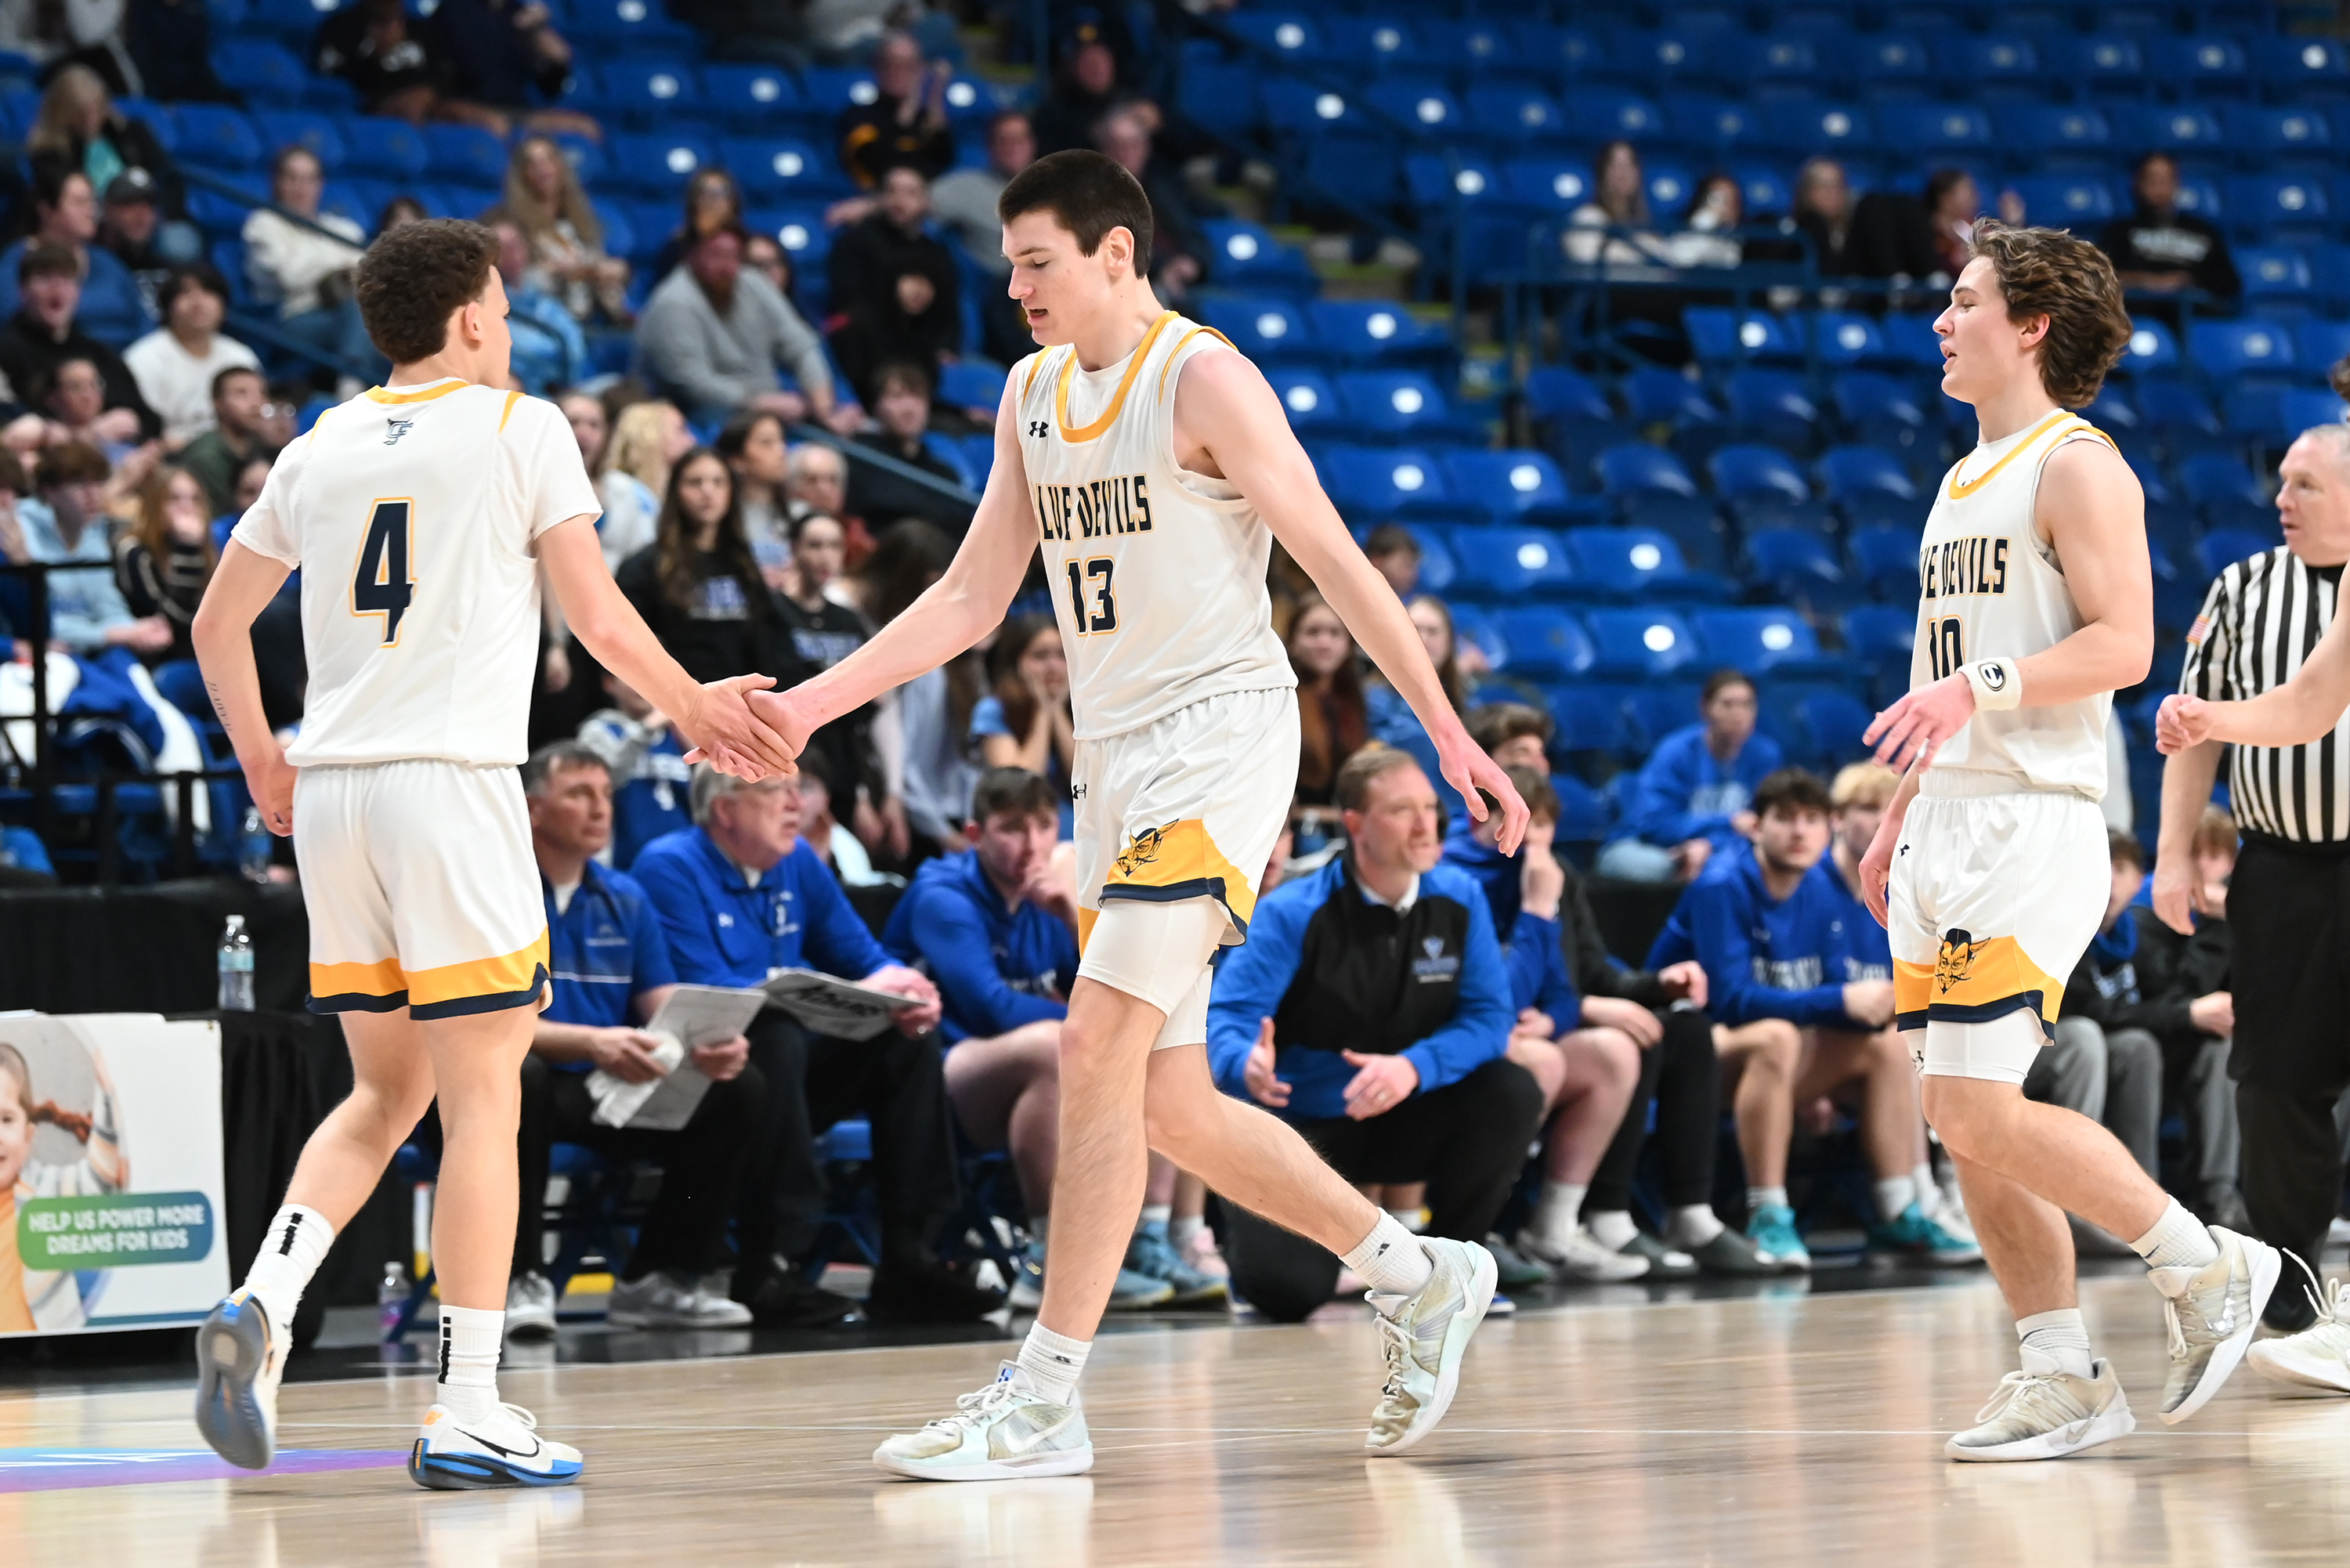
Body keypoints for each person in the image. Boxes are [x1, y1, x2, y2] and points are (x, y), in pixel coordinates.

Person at [754, 148, 1528, 1479]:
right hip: (1114, 763)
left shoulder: (1204, 376)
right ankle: (1420, 1273)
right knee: (1167, 1100)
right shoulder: (1030, 392)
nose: (1015, 287)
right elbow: (968, 597)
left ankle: (1046, 1395)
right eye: (1007, 263)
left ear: (1118, 254)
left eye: (1039, 260)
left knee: (1095, 1042)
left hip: (1221, 735)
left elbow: (1333, 558)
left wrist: (1445, 730)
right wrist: (815, 703)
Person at [186, 215, 793, 1487]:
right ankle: (465, 1402)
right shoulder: (522, 426)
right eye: (507, 312)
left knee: (381, 1095)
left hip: (337, 796)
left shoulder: (320, 439)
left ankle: (265, 1298)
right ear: (470, 318)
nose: (510, 331)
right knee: (483, 1101)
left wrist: (258, 758)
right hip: (452, 786)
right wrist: (692, 708)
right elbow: (600, 610)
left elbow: (215, 620)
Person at [1856, 219, 2273, 1463]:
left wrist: (1969, 691)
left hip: (2033, 818)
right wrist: (1898, 808)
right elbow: (1943, 674)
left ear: (2030, 324)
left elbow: (2126, 646)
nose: (1942, 318)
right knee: (1957, 1113)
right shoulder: (1959, 475)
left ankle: (2202, 1262)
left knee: (1980, 1102)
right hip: (1950, 813)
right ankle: (2058, 1368)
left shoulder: (2076, 463)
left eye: (1965, 299)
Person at [631, 764, 997, 1328]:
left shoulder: (798, 861)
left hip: (790, 1080)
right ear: (725, 809)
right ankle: (772, 1263)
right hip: (710, 1081)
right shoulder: (669, 865)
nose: (795, 804)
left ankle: (909, 1255)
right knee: (770, 1032)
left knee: (904, 1037)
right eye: (775, 791)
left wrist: (905, 987)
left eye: (796, 789)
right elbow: (706, 998)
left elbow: (863, 955)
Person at [1202, 746, 1535, 1320]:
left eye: (1430, 808)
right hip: (1305, 1127)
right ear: (1355, 824)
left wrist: (1414, 1066)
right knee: (1285, 1294)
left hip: (1405, 1108)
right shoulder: (1293, 911)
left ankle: (1451, 1267)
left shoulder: (1459, 897)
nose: (1425, 824)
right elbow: (1226, 1021)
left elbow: (1490, 1018)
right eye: (1402, 810)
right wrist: (1243, 1063)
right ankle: (1267, 1254)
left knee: (1511, 1090)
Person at [2157, 421, 2350, 1339]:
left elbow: (2300, 705)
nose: (2283, 498)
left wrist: (2211, 716)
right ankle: (2293, 1288)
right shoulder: (2239, 590)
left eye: (2306, 484)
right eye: (2281, 481)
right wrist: (2169, 855)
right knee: (2275, 1080)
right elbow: (2197, 734)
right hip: (2282, 865)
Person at [884, 767, 1209, 1311]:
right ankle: (1051, 1257)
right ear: (974, 835)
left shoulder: (1041, 901)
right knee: (1051, 1046)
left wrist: (1065, 916)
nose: (1031, 844)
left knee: (1154, 1040)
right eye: (1011, 828)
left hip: (1024, 1084)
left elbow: (1107, 995)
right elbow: (993, 1007)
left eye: (1041, 826)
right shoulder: (943, 896)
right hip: (932, 1077)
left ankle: (1147, 1241)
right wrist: (1089, 1023)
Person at [1650, 768, 1969, 1271]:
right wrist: (1838, 1002)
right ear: (1755, 826)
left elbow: (1825, 997)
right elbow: (1731, 1000)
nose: (1799, 832)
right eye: (1784, 819)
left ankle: (1897, 1208)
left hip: (1776, 1056)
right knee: (1777, 1036)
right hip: (1686, 1055)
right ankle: (1768, 1214)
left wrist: (1825, 1071)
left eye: (1810, 820)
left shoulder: (1819, 890)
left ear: (1828, 829)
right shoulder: (1721, 886)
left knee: (1886, 1045)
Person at [508, 742, 761, 1335]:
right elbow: (493, 1026)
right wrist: (592, 1043)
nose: (601, 810)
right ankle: (520, 1277)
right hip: (527, 1082)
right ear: (532, 808)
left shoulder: (626, 896)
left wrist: (708, 1042)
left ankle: (661, 1279)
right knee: (522, 1077)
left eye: (605, 795)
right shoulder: (499, 895)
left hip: (606, 1084)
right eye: (579, 794)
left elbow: (659, 1006)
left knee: (737, 1088)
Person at [613, 446, 810, 692]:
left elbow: (768, 641)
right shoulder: (644, 566)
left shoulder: (744, 564)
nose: (708, 492)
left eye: (718, 482)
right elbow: (628, 643)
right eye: (695, 482)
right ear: (676, 492)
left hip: (743, 701)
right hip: (676, 703)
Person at [2041, 830, 2166, 1201]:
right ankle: (2078, 1193)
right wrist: (2182, 1014)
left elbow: (2166, 996)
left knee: (2138, 1046)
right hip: (2046, 1041)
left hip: (2104, 1040)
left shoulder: (2140, 930)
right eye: (2099, 866)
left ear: (2140, 879)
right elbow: (2088, 1007)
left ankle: (2143, 1196)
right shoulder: (2064, 923)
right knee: (2085, 1035)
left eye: (2121, 867)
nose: (2109, 878)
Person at [635, 225, 859, 432]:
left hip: (768, 410)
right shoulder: (673, 301)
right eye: (715, 255)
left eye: (734, 257)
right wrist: (760, 402)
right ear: (693, 255)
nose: (726, 266)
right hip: (701, 414)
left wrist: (824, 407)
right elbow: (693, 383)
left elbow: (800, 344)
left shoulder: (753, 283)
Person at [775, 508, 893, 857]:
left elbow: (859, 719)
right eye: (814, 545)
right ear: (794, 549)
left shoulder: (849, 622)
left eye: (834, 546)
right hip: (791, 767)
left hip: (841, 774)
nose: (825, 556)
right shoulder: (770, 613)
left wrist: (861, 794)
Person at [1600, 670, 1783, 883]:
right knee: (1655, 866)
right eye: (1727, 704)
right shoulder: (1676, 753)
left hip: (1721, 850)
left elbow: (1761, 826)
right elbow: (1654, 825)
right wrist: (1727, 822)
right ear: (1705, 709)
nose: (1738, 714)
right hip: (1654, 848)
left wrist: (1711, 844)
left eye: (1747, 705)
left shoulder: (1765, 755)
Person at [826, 168, 963, 408]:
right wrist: (893, 296)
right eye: (891, 192)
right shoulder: (856, 243)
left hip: (919, 352)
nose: (899, 201)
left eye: (910, 193)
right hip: (871, 352)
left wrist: (946, 346)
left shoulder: (937, 254)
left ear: (926, 202)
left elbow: (948, 313)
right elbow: (849, 303)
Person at [240, 148, 374, 387]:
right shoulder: (263, 225)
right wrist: (338, 260)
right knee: (359, 314)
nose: (301, 188)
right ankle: (351, 387)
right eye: (292, 178)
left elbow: (367, 274)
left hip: (344, 314)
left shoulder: (343, 229)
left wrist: (317, 262)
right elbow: (289, 277)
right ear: (277, 182)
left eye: (309, 179)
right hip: (289, 320)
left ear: (320, 185)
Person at [23, 439, 168, 655]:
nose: (93, 494)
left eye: (98, 483)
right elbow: (36, 621)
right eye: (80, 484)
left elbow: (107, 603)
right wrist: (111, 635)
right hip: (48, 652)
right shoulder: (24, 532)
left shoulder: (93, 531)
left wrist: (137, 630)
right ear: (50, 491)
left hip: (93, 646)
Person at [931, 110, 1038, 364]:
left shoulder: (1056, 189)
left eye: (1019, 140)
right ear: (990, 148)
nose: (1013, 148)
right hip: (997, 298)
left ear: (1032, 145)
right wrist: (867, 206)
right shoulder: (966, 187)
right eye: (1004, 141)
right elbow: (910, 199)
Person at [0, 166, 149, 347]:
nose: (91, 211)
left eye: (92, 202)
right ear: (47, 210)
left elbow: (143, 322)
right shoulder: (18, 260)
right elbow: (15, 325)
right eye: (79, 203)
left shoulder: (108, 261)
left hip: (123, 365)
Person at [310, 0, 511, 133]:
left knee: (489, 121)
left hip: (432, 102)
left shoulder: (419, 28)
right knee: (413, 108)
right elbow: (333, 80)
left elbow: (443, 73)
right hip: (379, 103)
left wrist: (430, 94)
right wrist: (376, 56)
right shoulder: (342, 26)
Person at [121, 265, 258, 446]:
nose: (197, 302)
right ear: (167, 306)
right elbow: (141, 431)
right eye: (185, 293)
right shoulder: (143, 358)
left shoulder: (241, 356)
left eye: (208, 292)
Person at [427, 0, 599, 142]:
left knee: (587, 127)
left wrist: (537, 33)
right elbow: (470, 67)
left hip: (517, 110)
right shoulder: (455, 10)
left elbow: (551, 84)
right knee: (498, 125)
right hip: (467, 105)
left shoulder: (517, 13)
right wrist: (516, 32)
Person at [500, 135, 629, 323]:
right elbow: (509, 286)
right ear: (521, 174)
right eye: (532, 164)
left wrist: (609, 272)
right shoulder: (508, 223)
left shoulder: (581, 221)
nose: (543, 169)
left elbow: (595, 262)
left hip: (586, 316)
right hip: (538, 320)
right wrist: (551, 271)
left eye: (548, 160)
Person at [576, 670, 690, 869]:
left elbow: (712, 797)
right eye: (631, 676)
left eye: (652, 676)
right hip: (626, 863)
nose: (643, 685)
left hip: (683, 860)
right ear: (610, 683)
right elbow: (605, 781)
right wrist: (647, 729)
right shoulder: (600, 730)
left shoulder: (677, 734)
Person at [971, 614, 1073, 834]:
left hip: (1078, 836)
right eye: (1040, 656)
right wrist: (1044, 711)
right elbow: (1021, 784)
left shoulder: (1080, 708)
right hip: (1022, 835)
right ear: (1016, 663)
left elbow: (1084, 778)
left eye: (1062, 655)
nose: (1053, 666)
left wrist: (1056, 711)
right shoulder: (993, 710)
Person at [2096, 151, 2240, 305]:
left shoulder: (2203, 231)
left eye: (2166, 180)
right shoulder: (2119, 232)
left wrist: (2188, 281)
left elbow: (2229, 284)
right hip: (2137, 314)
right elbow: (2100, 279)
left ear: (2177, 183)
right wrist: (2147, 282)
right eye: (2152, 180)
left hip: (2194, 314)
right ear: (2137, 183)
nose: (2159, 188)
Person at [1093, 109, 1207, 300]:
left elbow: (1190, 231)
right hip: (1134, 284)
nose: (1126, 154)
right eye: (1118, 146)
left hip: (1183, 279)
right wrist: (1164, 268)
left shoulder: (1161, 187)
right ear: (1104, 151)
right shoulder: (1094, 197)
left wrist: (1194, 261)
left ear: (1146, 149)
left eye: (1134, 145)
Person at [844, 359, 970, 531]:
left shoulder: (944, 473)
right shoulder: (859, 458)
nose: (909, 408)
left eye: (918, 397)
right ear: (877, 406)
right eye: (897, 397)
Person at [111, 461, 210, 663]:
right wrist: (188, 549)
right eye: (174, 499)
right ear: (155, 504)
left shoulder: (207, 547)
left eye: (195, 499)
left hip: (199, 652)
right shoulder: (134, 552)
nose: (187, 508)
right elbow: (172, 622)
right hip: (155, 657)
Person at [836, 28, 954, 189]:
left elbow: (944, 163)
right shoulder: (858, 117)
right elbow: (882, 164)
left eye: (909, 66)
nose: (898, 72)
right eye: (890, 64)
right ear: (877, 67)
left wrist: (935, 99)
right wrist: (905, 116)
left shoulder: (927, 120)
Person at [1288, 594, 1368, 812]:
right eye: (1313, 632)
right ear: (1292, 641)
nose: (1324, 643)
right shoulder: (1279, 701)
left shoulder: (1359, 699)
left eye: (1335, 633)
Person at [593, 398, 690, 572]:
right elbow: (613, 553)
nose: (691, 440)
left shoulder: (665, 495)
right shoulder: (619, 487)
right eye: (680, 430)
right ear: (650, 435)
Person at [490, 218, 584, 393]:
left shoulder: (546, 302)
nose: (510, 253)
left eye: (514, 245)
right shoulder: (485, 309)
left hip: (564, 389)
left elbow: (575, 345)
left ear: (526, 248)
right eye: (501, 248)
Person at [179, 366, 277, 517]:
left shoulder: (262, 444)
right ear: (218, 404)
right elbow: (224, 517)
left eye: (262, 393)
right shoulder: (206, 456)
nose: (256, 403)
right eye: (241, 393)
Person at [1564, 140, 1668, 266]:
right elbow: (1587, 261)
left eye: (1630, 165)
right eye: (1615, 165)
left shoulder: (1645, 231)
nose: (1623, 174)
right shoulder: (1586, 219)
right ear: (1602, 173)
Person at [715, 407, 790, 575]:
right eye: (767, 443)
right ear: (737, 460)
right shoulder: (719, 518)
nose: (782, 451)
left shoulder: (799, 514)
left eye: (782, 441)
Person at [651, 167, 743, 282]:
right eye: (706, 193)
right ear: (693, 201)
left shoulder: (748, 246)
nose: (713, 201)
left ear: (733, 202)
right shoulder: (676, 249)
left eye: (721, 193)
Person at [1668, 173, 1744, 270]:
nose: (1726, 208)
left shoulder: (1740, 239)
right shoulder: (1688, 232)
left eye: (1732, 201)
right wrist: (1707, 219)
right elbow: (1682, 258)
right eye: (1717, 199)